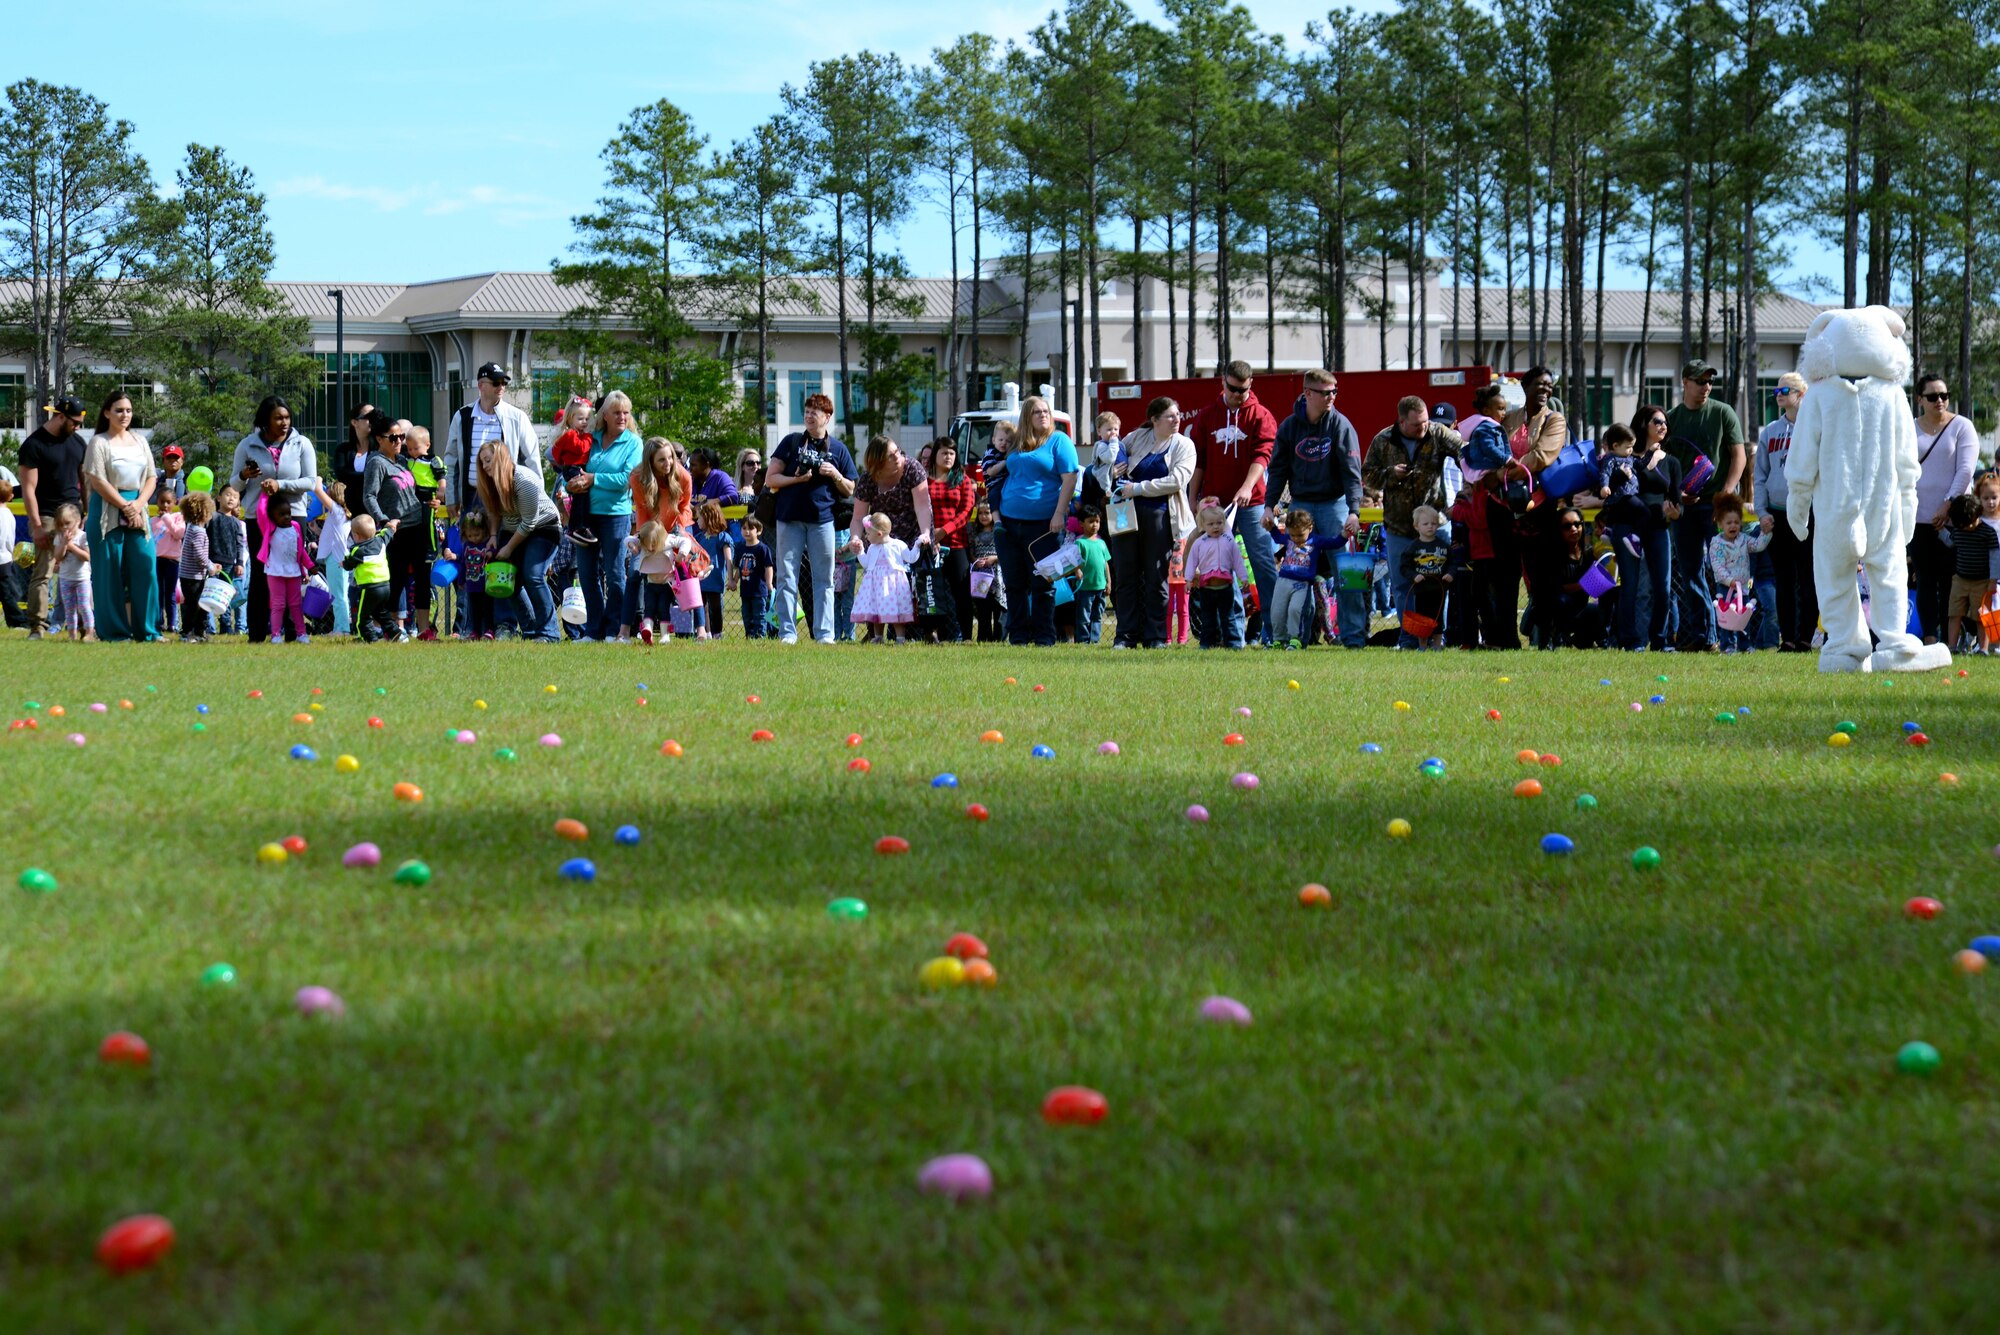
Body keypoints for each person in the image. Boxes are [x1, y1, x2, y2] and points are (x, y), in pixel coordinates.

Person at [1267, 369, 1366, 647]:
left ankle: (1354, 638)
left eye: (1335, 391)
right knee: (1299, 574)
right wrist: (1268, 506)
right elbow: (1277, 470)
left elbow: (1351, 473)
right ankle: (1300, 637)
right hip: (1301, 504)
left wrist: (1354, 511)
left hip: (1335, 504)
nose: (1332, 397)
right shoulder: (1289, 427)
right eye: (1326, 392)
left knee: (1349, 572)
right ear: (1308, 393)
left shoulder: (1341, 425)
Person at [1361, 395, 1464, 649]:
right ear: (1402, 421)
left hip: (1435, 524)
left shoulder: (1438, 433)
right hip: (1400, 526)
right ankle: (1409, 639)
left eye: (1426, 422)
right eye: (1417, 425)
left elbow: (1466, 452)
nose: (1424, 428)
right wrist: (1391, 475)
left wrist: (1467, 488)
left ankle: (1440, 638)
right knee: (1403, 584)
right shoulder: (1383, 440)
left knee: (1440, 581)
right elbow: (1368, 477)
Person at [1188, 360, 1279, 643]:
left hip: (1250, 503)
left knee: (1262, 562)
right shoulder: (1207, 416)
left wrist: (1247, 487)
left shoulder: (1261, 416)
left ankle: (1273, 632)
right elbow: (1199, 460)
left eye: (1244, 389)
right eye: (1233, 389)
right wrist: (1193, 496)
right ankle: (1226, 634)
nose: (1239, 394)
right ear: (1222, 383)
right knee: (1217, 566)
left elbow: (1262, 456)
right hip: (1216, 504)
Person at [1663, 359, 1745, 652]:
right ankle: (1706, 637)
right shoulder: (1671, 419)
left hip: (1718, 508)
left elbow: (1739, 455)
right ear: (1684, 381)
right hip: (1686, 509)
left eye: (1710, 381)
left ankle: (1735, 639)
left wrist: (1725, 494)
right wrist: (1676, 496)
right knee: (1691, 572)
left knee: (1729, 572)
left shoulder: (1723, 412)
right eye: (1700, 381)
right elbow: (1666, 465)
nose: (1706, 387)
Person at [765, 392, 857, 645]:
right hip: (789, 519)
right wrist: (797, 479)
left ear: (827, 417)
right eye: (806, 412)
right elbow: (770, 479)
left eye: (814, 412)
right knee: (786, 576)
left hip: (823, 522)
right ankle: (787, 633)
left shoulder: (838, 449)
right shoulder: (791, 442)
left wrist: (835, 475)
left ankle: (825, 635)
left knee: (825, 578)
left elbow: (850, 489)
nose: (808, 416)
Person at [1108, 397, 1196, 650]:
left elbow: (1177, 480)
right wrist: (1111, 472)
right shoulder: (1136, 437)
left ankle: (1155, 636)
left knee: (1156, 577)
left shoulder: (1184, 445)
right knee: (1126, 576)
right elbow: (1112, 458)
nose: (1177, 419)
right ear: (1155, 419)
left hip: (1160, 516)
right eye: (1170, 415)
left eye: (1178, 414)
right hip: (1124, 514)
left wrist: (1137, 488)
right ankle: (1125, 636)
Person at [229, 395, 317, 643]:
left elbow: (310, 481)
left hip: (293, 517)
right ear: (265, 420)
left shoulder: (302, 444)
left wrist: (281, 484)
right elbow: (234, 483)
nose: (284, 422)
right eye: (278, 417)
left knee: (291, 573)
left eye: (287, 417)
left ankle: (292, 632)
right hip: (259, 518)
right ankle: (257, 632)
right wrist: (245, 475)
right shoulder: (247, 445)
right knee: (260, 574)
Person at [561, 392, 642, 641]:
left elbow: (627, 480)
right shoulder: (591, 439)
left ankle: (615, 629)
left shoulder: (633, 443)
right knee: (586, 573)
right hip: (586, 516)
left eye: (626, 412)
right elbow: (573, 466)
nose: (622, 417)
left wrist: (593, 479)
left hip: (616, 515)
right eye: (616, 412)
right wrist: (571, 483)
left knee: (615, 572)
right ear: (604, 415)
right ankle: (593, 630)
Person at [80, 392, 160, 641]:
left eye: (128, 410)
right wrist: (125, 506)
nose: (124, 415)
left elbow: (151, 477)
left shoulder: (140, 441)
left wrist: (137, 505)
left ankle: (148, 631)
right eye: (119, 410)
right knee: (108, 571)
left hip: (138, 507)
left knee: (146, 567)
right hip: (106, 511)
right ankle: (114, 632)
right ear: (107, 413)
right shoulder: (99, 442)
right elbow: (97, 480)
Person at [1908, 373, 1981, 643]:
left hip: (1955, 520)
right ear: (1920, 400)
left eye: (1944, 395)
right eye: (1932, 396)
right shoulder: (1909, 428)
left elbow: (1965, 470)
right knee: (1924, 579)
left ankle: (1955, 637)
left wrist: (1947, 504)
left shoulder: (1962, 426)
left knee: (1952, 580)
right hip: (1918, 517)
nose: (1939, 400)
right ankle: (1929, 637)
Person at [1752, 372, 1816, 651]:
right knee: (1784, 579)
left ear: (1801, 394)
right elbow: (1760, 476)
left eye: (1785, 390)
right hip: (1777, 514)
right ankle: (1787, 638)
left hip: (1808, 512)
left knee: (1808, 577)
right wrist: (1762, 511)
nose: (1778, 395)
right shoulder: (1771, 431)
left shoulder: (1814, 428)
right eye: (1776, 391)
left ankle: (1805, 636)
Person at [474, 439, 562, 641]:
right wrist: (494, 537)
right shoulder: (490, 482)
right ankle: (531, 631)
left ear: (501, 457)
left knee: (533, 575)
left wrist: (509, 548)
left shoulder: (524, 480)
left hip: (543, 528)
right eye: (483, 462)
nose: (485, 466)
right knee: (505, 578)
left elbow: (530, 522)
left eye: (488, 460)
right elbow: (494, 512)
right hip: (514, 529)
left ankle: (549, 633)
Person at [19, 394, 88, 639]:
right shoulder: (34, 445)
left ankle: (84, 627)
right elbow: (28, 489)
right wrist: (37, 526)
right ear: (60, 417)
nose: (78, 427)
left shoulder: (78, 443)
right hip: (47, 515)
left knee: (82, 570)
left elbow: (84, 480)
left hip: (75, 514)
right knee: (43, 572)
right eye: (74, 422)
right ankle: (37, 627)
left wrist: (86, 513)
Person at [358, 410, 428, 641]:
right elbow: (369, 496)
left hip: (417, 526)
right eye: (393, 437)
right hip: (397, 531)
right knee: (395, 581)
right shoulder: (376, 463)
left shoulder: (402, 461)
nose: (399, 441)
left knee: (422, 578)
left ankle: (424, 630)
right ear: (379, 439)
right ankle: (384, 629)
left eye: (401, 437)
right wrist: (384, 520)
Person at [442, 362, 541, 521]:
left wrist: (537, 498)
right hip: (472, 496)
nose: (500, 387)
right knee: (471, 544)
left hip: (505, 496)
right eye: (495, 383)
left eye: (503, 383)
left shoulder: (517, 417)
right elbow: (451, 461)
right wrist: (451, 498)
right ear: (481, 385)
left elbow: (532, 460)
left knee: (503, 545)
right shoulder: (462, 416)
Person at [1705, 493, 1773, 652]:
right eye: (1729, 523)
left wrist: (1766, 532)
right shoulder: (1717, 543)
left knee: (1744, 618)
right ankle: (1727, 645)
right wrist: (1728, 580)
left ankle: (1745, 644)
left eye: (1736, 522)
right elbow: (1717, 565)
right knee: (1727, 618)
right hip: (1726, 587)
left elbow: (1757, 546)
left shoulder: (1743, 539)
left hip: (1742, 587)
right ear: (1720, 523)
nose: (1733, 526)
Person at [848, 434, 935, 556]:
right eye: (890, 456)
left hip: (913, 538)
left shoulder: (913, 468)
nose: (897, 457)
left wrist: (925, 534)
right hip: (881, 541)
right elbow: (858, 517)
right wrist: (855, 538)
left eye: (897, 451)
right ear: (878, 463)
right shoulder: (867, 478)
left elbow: (923, 507)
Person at [1528, 506, 1602, 649]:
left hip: (1578, 608)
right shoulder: (1550, 555)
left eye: (1577, 524)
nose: (1573, 529)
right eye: (1567, 526)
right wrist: (1584, 584)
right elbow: (1553, 589)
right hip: (1552, 609)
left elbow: (1596, 589)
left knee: (1599, 609)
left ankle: (1582, 641)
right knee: (1562, 601)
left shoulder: (1588, 554)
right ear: (1558, 530)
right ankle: (1553, 638)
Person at [1270, 508, 1343, 647]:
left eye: (1300, 535)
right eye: (1292, 535)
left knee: (1295, 610)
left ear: (1310, 528)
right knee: (1277, 611)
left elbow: (1335, 543)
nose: (1296, 539)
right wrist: (1271, 527)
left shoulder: (1316, 541)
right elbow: (1277, 537)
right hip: (1283, 581)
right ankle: (1278, 639)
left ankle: (1295, 639)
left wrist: (1344, 534)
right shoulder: (1289, 539)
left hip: (1302, 583)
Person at [927, 439, 977, 640]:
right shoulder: (924, 479)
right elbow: (920, 508)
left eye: (952, 453)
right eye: (944, 453)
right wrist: (932, 535)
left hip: (957, 543)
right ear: (935, 455)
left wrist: (944, 531)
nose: (948, 457)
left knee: (962, 593)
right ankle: (935, 635)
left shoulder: (962, 479)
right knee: (933, 593)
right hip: (931, 544)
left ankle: (965, 637)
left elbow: (966, 511)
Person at [1940, 483, 1999, 653]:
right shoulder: (1960, 529)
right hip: (1960, 580)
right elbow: (1951, 542)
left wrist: (1993, 582)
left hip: (1982, 581)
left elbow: (1995, 559)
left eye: (1968, 524)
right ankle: (1952, 646)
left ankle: (1984, 648)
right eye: (1961, 525)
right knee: (1954, 613)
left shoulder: (1987, 533)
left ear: (1977, 514)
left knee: (1982, 616)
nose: (1965, 528)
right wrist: (1940, 531)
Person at [1184, 502, 1249, 649]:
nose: (1215, 527)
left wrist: (1243, 577)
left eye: (1219, 523)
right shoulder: (1199, 542)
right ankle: (1207, 643)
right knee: (1208, 618)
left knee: (1229, 617)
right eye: (1211, 524)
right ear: (1203, 525)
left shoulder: (1228, 541)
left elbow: (1237, 560)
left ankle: (1232, 642)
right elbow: (1191, 561)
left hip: (1225, 587)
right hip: (1207, 587)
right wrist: (1188, 579)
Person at [851, 512, 915, 643]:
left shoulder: (898, 545)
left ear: (879, 534)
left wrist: (918, 544)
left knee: (896, 611)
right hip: (876, 586)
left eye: (868, 534)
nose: (866, 537)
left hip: (894, 585)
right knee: (876, 610)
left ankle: (900, 638)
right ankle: (878, 637)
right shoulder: (873, 548)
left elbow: (910, 558)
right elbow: (867, 564)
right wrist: (861, 551)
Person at [1400, 504, 1452, 649]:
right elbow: (1404, 566)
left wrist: (1450, 573)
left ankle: (1437, 644)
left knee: (1438, 618)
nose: (1430, 527)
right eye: (1426, 524)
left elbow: (1452, 562)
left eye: (1434, 524)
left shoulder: (1443, 546)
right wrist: (1414, 575)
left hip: (1439, 588)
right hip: (1421, 589)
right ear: (1416, 526)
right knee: (1422, 618)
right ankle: (1422, 645)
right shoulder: (1413, 547)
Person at [549, 397, 597, 546]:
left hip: (578, 467)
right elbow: (580, 448)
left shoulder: (579, 435)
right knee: (580, 495)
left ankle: (579, 526)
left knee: (582, 497)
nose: (584, 422)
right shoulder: (571, 435)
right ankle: (577, 527)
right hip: (573, 468)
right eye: (580, 418)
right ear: (570, 419)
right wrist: (562, 462)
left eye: (587, 419)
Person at [343, 514, 398, 642]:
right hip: (385, 586)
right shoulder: (380, 541)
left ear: (356, 536)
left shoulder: (358, 550)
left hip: (369, 588)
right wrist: (392, 524)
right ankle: (394, 631)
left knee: (363, 617)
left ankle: (369, 638)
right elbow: (388, 532)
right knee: (380, 612)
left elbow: (348, 565)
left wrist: (343, 562)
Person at [1502, 367, 1567, 475]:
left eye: (1550, 386)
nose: (1546, 389)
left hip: (1538, 488)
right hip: (1505, 489)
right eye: (1541, 384)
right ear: (1525, 386)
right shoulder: (1509, 417)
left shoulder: (1555, 420)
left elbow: (1540, 457)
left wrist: (1502, 475)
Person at [262, 506, 311, 644]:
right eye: (281, 514)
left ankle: (301, 634)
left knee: (296, 604)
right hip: (275, 572)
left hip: (293, 571)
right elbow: (261, 511)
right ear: (273, 517)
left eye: (288, 513)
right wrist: (266, 495)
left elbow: (300, 550)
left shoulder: (295, 527)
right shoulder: (270, 528)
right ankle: (275, 635)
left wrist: (309, 566)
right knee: (278, 605)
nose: (287, 517)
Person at [176, 492, 218, 641]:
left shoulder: (191, 529)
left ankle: (199, 632)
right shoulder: (198, 532)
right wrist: (211, 566)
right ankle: (187, 632)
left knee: (197, 605)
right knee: (194, 606)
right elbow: (199, 556)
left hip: (189, 575)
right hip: (193, 577)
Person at [691, 500, 734, 637]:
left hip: (715, 578)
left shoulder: (722, 537)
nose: (698, 520)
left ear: (709, 518)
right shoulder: (699, 538)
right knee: (701, 606)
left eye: (700, 517)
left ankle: (717, 633)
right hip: (700, 578)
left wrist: (731, 579)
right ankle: (705, 632)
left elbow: (728, 558)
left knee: (715, 607)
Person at [52, 504, 94, 640]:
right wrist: (64, 545)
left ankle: (89, 632)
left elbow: (87, 557)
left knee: (84, 606)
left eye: (67, 523)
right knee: (69, 608)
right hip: (65, 578)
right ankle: (72, 634)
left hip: (82, 578)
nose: (64, 527)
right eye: (60, 524)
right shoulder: (59, 538)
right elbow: (58, 557)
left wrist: (72, 547)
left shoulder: (83, 537)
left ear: (77, 521)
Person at [210, 487, 248, 635]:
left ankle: (226, 626)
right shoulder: (212, 517)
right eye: (228, 495)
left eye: (235, 496)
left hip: (229, 564)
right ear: (219, 498)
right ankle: (208, 626)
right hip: (212, 563)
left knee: (225, 596)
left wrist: (239, 563)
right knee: (210, 594)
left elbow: (240, 545)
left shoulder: (236, 522)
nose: (231, 498)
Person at [316, 482, 351, 637]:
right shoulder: (337, 515)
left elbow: (317, 489)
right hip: (337, 559)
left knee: (339, 596)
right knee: (339, 594)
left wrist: (316, 478)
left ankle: (342, 629)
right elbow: (331, 537)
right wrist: (315, 529)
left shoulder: (337, 511)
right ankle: (340, 627)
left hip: (336, 560)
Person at [966, 502, 1004, 643]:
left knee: (998, 606)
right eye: (980, 513)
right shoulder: (974, 531)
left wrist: (994, 558)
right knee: (983, 607)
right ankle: (984, 637)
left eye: (987, 513)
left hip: (997, 573)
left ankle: (999, 637)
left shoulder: (999, 530)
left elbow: (1006, 550)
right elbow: (971, 550)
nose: (983, 516)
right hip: (980, 573)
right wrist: (976, 560)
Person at [1071, 509, 1110, 644]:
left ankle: (1094, 640)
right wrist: (1077, 571)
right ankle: (1083, 640)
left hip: (1100, 586)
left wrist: (1108, 582)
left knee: (1097, 615)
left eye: (1097, 521)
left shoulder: (1102, 543)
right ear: (1081, 523)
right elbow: (1073, 560)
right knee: (1084, 616)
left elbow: (1105, 564)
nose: (1095, 525)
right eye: (1091, 521)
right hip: (1085, 587)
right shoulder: (1079, 542)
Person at [456, 511, 496, 640]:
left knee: (487, 608)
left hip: (486, 584)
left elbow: (494, 552)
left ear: (484, 531)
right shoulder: (467, 546)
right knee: (474, 610)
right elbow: (463, 564)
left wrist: (491, 553)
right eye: (470, 535)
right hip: (472, 585)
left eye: (477, 534)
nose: (474, 538)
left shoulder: (487, 545)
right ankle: (475, 631)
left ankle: (490, 629)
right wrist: (461, 580)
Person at [733, 516, 774, 638]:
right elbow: (740, 568)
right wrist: (734, 581)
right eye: (744, 528)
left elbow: (768, 567)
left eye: (751, 528)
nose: (747, 531)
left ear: (759, 530)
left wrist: (769, 583)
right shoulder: (740, 548)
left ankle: (760, 636)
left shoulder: (762, 549)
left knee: (760, 615)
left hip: (759, 590)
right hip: (745, 590)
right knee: (746, 615)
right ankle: (749, 636)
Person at [151, 495, 184, 634]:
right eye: (162, 501)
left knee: (170, 593)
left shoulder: (178, 517)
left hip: (172, 560)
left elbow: (178, 533)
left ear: (174, 502)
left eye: (168, 502)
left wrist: (166, 518)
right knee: (157, 592)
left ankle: (172, 623)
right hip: (157, 560)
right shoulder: (152, 521)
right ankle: (158, 622)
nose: (165, 505)